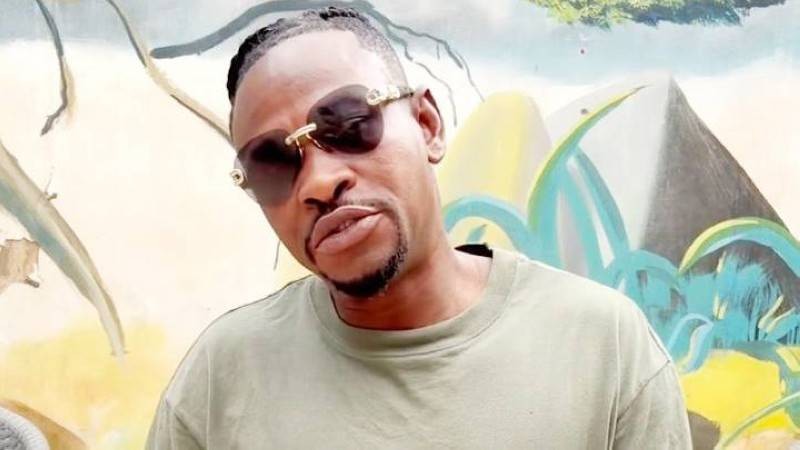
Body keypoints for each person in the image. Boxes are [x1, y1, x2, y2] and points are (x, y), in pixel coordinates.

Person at [146, 6, 693, 449]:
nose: (319, 181)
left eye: (348, 123)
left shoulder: (603, 345)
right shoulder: (222, 378)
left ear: (427, 125)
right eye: (272, 166)